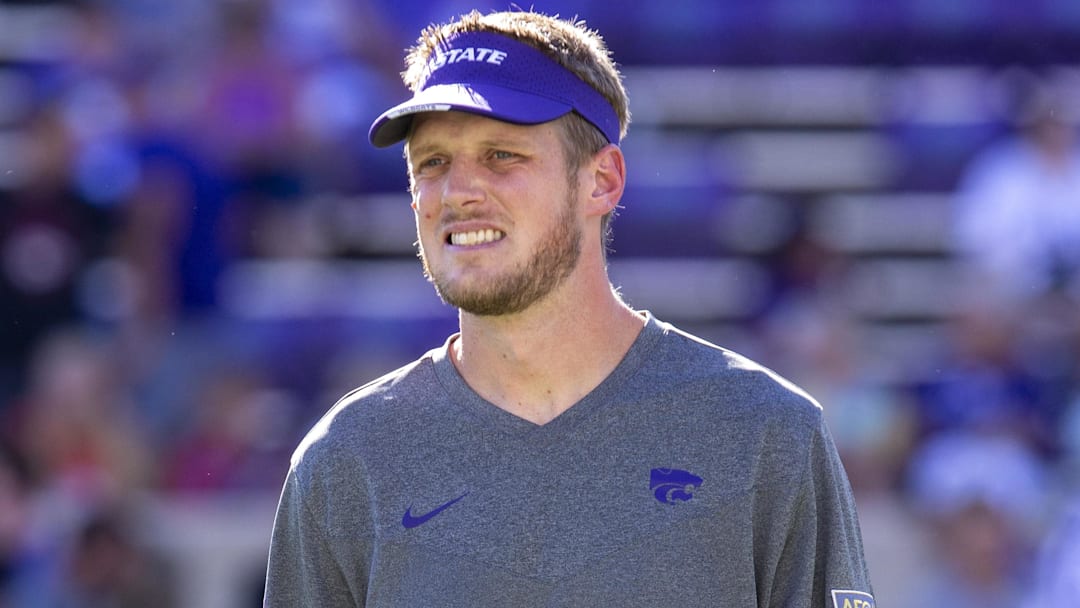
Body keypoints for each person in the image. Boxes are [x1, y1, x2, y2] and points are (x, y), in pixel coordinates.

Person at [264, 9, 875, 607]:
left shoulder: (766, 435)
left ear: (602, 181)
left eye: (502, 155)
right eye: (433, 163)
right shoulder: (346, 460)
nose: (457, 192)